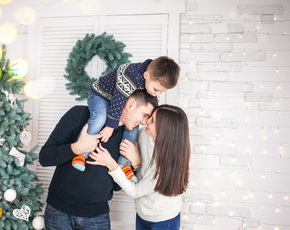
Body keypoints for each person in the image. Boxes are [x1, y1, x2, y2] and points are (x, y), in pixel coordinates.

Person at [39, 89, 158, 230]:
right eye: (144, 115)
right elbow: (44, 157)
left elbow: (117, 186)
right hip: (59, 212)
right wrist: (77, 148)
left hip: (98, 218)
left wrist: (134, 164)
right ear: (131, 104)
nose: (144, 122)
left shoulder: (130, 140)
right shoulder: (79, 115)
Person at [72, 56, 180, 183]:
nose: (156, 94)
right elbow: (118, 101)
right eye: (156, 89)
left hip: (115, 100)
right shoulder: (130, 76)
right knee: (100, 118)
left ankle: (124, 163)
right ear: (146, 75)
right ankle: (82, 153)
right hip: (101, 94)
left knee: (133, 128)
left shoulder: (150, 81)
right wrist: (110, 126)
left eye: (160, 92)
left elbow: (146, 103)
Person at [88, 104, 190, 230]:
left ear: (164, 131)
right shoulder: (144, 134)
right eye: (150, 117)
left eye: (152, 121)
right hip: (142, 213)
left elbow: (135, 191)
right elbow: (141, 174)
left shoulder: (166, 165)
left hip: (164, 219)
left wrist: (111, 164)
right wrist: (137, 163)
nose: (146, 121)